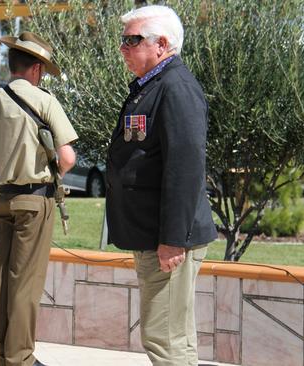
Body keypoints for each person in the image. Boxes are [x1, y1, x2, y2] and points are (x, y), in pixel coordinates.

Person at [105, 6, 218, 366]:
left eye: (132, 40)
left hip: (166, 239)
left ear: (162, 45)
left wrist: (172, 239)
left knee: (162, 337)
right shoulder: (153, 86)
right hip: (153, 234)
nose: (122, 48)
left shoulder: (175, 88)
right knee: (174, 337)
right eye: (123, 40)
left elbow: (184, 170)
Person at [0, 32, 78, 366]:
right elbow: (68, 158)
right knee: (26, 284)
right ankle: (20, 359)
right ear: (35, 69)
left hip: (2, 197)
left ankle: (4, 354)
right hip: (34, 200)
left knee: (3, 279)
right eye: (43, 70)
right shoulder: (43, 101)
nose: (43, 76)